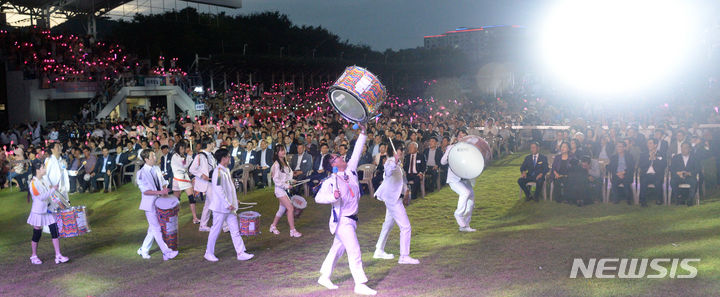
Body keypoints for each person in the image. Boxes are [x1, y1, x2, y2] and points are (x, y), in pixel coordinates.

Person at [315, 123, 376, 296]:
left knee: (337, 250)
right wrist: (332, 197)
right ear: (332, 165)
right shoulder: (330, 181)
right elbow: (319, 198)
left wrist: (363, 133)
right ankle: (360, 283)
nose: (341, 157)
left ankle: (324, 276)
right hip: (342, 221)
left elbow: (356, 151)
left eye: (339, 156)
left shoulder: (350, 170)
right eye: (336, 157)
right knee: (354, 249)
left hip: (352, 219)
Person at [204, 148, 255, 262]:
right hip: (221, 208)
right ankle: (208, 252)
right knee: (215, 231)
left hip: (229, 207)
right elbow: (218, 189)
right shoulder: (218, 172)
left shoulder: (225, 170)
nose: (229, 158)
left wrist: (234, 201)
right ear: (223, 159)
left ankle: (241, 252)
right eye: (228, 156)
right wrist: (228, 204)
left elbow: (230, 189)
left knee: (235, 230)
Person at [373, 141, 419, 264]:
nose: (402, 151)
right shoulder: (390, 162)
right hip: (392, 199)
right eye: (400, 149)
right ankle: (404, 256)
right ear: (394, 151)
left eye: (402, 149)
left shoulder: (397, 163)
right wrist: (394, 161)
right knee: (406, 227)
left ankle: (379, 249)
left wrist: (406, 191)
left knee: (388, 224)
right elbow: (388, 172)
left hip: (393, 198)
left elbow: (400, 180)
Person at [135, 150, 179, 261]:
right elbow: (145, 191)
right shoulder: (141, 173)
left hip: (160, 202)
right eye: (152, 156)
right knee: (156, 228)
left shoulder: (157, 168)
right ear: (146, 159)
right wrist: (160, 192)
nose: (155, 157)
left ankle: (143, 249)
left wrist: (165, 189)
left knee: (152, 229)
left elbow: (162, 182)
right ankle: (166, 252)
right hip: (149, 204)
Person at [26, 160, 69, 265]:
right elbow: (41, 197)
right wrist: (52, 189)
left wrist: (56, 196)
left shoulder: (44, 180)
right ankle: (33, 255)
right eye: (42, 168)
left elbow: (49, 193)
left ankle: (58, 255)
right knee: (37, 233)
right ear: (37, 170)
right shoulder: (33, 183)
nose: (45, 169)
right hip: (38, 212)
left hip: (48, 210)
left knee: (55, 230)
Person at [440, 130, 477, 232]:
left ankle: (465, 226)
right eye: (460, 136)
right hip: (454, 180)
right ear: (456, 138)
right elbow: (442, 162)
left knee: (470, 202)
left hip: (465, 179)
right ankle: (458, 214)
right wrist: (449, 154)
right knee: (465, 192)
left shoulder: (470, 149)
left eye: (464, 136)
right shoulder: (451, 148)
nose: (462, 138)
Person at [268, 146, 302, 237]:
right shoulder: (276, 164)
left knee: (282, 209)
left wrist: (291, 181)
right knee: (290, 208)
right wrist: (287, 185)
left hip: (284, 189)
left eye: (284, 150)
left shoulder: (285, 162)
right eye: (281, 151)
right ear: (277, 153)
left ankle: (273, 226)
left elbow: (286, 176)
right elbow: (276, 180)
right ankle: (292, 230)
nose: (283, 152)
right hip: (280, 190)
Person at [191, 138, 218, 231]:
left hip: (211, 181)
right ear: (208, 144)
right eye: (212, 143)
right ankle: (224, 225)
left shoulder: (211, 155)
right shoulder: (200, 156)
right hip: (206, 183)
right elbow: (192, 169)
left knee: (208, 204)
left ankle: (203, 225)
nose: (214, 145)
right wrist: (202, 175)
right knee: (215, 203)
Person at [172, 141, 200, 224]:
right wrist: (189, 156)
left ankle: (195, 218)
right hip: (178, 180)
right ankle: (173, 217)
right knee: (176, 200)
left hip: (185, 179)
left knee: (192, 198)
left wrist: (188, 156)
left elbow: (186, 165)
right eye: (181, 148)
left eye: (183, 148)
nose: (182, 149)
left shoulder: (182, 155)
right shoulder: (175, 156)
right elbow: (184, 164)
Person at [638, 138, 667, 206]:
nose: (648, 145)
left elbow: (663, 165)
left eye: (650, 143)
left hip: (656, 174)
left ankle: (659, 200)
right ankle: (642, 201)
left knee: (658, 182)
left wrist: (655, 159)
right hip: (646, 174)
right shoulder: (643, 154)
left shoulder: (661, 154)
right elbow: (641, 165)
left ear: (655, 145)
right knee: (643, 181)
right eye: (648, 143)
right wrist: (649, 159)